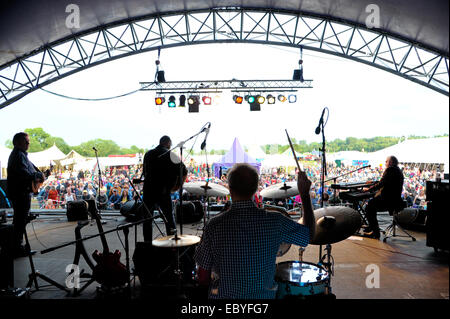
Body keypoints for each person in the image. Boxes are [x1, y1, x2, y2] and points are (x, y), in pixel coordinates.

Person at [194, 163, 315, 299]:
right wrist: (304, 195)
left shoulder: (213, 225)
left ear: (230, 189)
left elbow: (203, 278)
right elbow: (309, 236)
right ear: (256, 189)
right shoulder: (275, 221)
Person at [142, 135, 187, 241]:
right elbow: (184, 171)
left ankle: (148, 245)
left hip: (148, 191)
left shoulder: (148, 154)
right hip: (163, 191)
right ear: (168, 143)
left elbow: (145, 172)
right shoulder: (171, 154)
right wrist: (177, 187)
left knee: (147, 219)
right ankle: (171, 244)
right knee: (169, 219)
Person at [7, 132, 44, 257]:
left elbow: (31, 172)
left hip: (20, 192)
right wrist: (39, 176)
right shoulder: (18, 155)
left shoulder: (21, 155)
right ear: (17, 142)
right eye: (25, 141)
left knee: (20, 220)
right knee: (19, 221)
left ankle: (17, 246)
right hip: (20, 193)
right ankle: (17, 248)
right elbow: (26, 174)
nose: (28, 143)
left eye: (28, 141)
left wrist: (39, 175)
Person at [362, 156, 405, 239]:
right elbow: (387, 181)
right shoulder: (398, 170)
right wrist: (374, 183)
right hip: (395, 200)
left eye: (386, 161)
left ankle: (375, 232)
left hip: (388, 200)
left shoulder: (390, 169)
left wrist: (368, 190)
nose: (385, 163)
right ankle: (371, 228)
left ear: (391, 162)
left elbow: (382, 184)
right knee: (371, 205)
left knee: (369, 206)